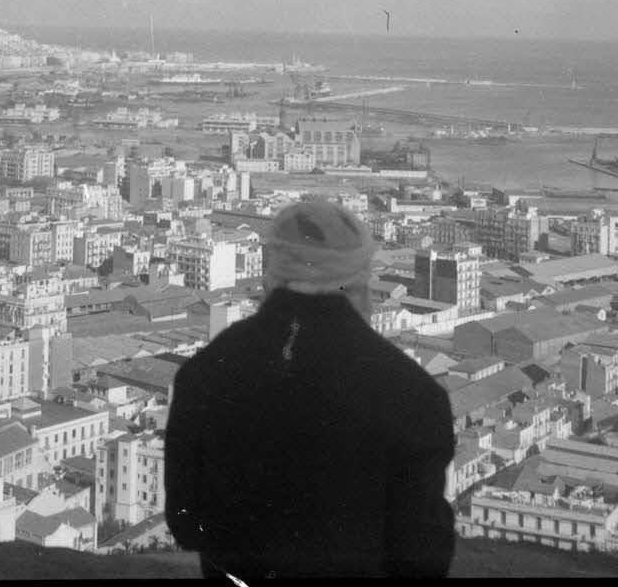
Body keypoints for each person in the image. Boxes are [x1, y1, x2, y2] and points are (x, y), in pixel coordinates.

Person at [165, 199, 456, 580]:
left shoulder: (204, 374)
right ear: (360, 280)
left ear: (272, 273)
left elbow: (186, 524)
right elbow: (424, 553)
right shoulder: (414, 394)